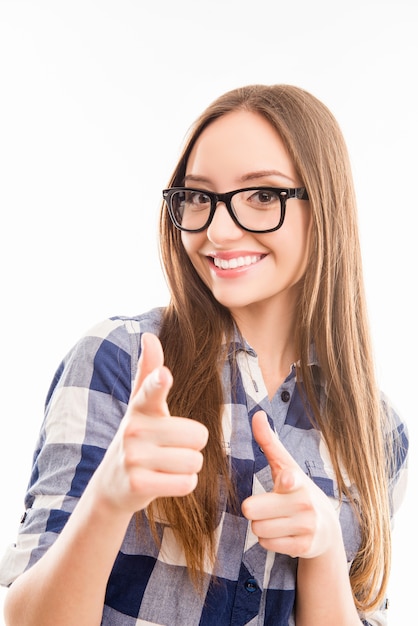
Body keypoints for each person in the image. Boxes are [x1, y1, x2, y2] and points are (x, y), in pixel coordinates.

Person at [0, 84, 408, 626]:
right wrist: (108, 499)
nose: (217, 230)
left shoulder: (377, 431)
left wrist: (325, 555)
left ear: (326, 207)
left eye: (263, 195)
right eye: (198, 197)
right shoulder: (118, 362)